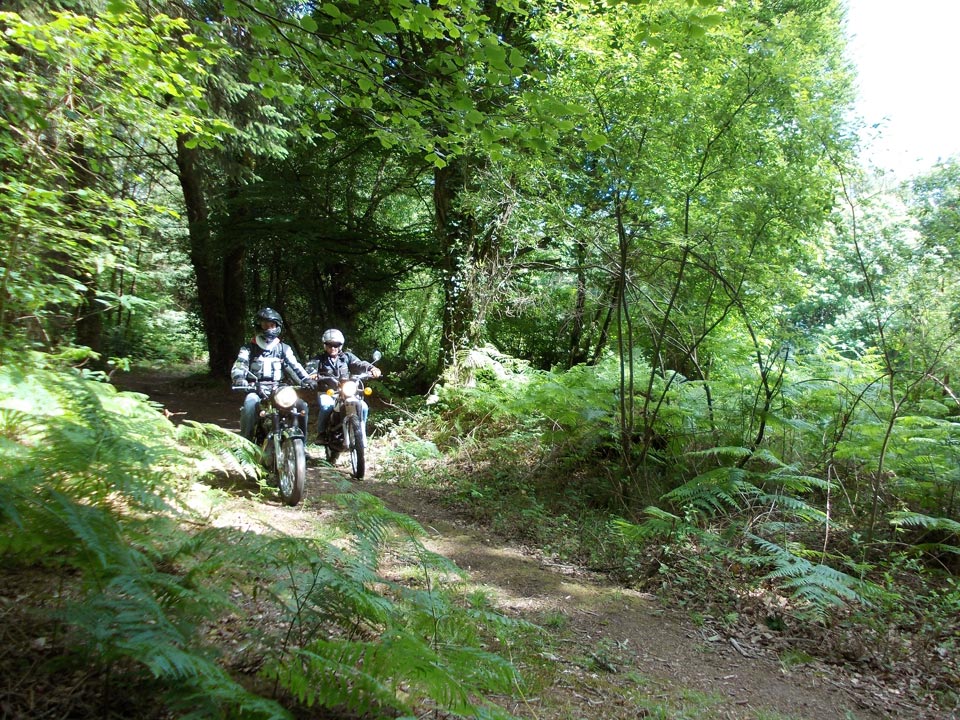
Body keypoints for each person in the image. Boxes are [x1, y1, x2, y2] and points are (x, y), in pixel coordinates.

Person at [230, 307, 317, 441]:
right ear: (259, 326)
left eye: (272, 325)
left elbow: (295, 366)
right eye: (265, 325)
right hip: (256, 388)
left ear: (277, 326)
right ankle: (245, 443)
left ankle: (302, 445)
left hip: (279, 389)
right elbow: (239, 365)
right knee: (249, 404)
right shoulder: (248, 348)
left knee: (301, 405)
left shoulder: (283, 348)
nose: (269, 328)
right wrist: (239, 379)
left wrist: (306, 379)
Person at [308, 328, 381, 440]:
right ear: (325, 345)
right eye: (329, 345)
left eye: (336, 345)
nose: (333, 348)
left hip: (346, 391)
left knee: (363, 407)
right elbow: (310, 367)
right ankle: (321, 433)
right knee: (326, 406)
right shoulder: (319, 359)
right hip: (328, 392)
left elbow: (359, 363)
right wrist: (312, 374)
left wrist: (372, 368)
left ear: (340, 345)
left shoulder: (346, 357)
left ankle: (361, 433)